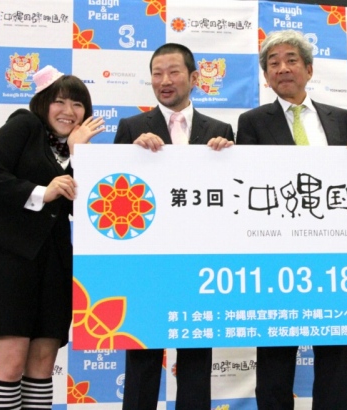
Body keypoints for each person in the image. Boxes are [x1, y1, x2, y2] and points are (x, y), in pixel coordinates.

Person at [237, 29, 347, 409]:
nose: (283, 68)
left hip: (334, 254)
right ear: (265, 76)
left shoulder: (341, 119)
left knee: (334, 359)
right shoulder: (251, 121)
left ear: (309, 69)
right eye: (273, 63)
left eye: (291, 60)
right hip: (277, 256)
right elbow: (247, 186)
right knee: (275, 362)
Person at [114, 43, 234, 410]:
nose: (164, 81)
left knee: (196, 363)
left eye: (173, 72)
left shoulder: (221, 130)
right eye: (157, 73)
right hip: (145, 263)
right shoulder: (132, 127)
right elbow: (114, 192)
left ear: (194, 77)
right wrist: (130, 154)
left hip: (200, 263)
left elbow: (234, 197)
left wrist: (229, 156)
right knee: (142, 361)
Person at [0, 65, 104, 410]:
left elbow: (82, 204)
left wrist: (77, 155)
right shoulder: (24, 125)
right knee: (11, 360)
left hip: (55, 259)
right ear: (43, 103)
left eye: (77, 104)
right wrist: (40, 192)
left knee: (43, 364)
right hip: (7, 255)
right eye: (60, 101)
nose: (68, 111)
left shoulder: (80, 149)